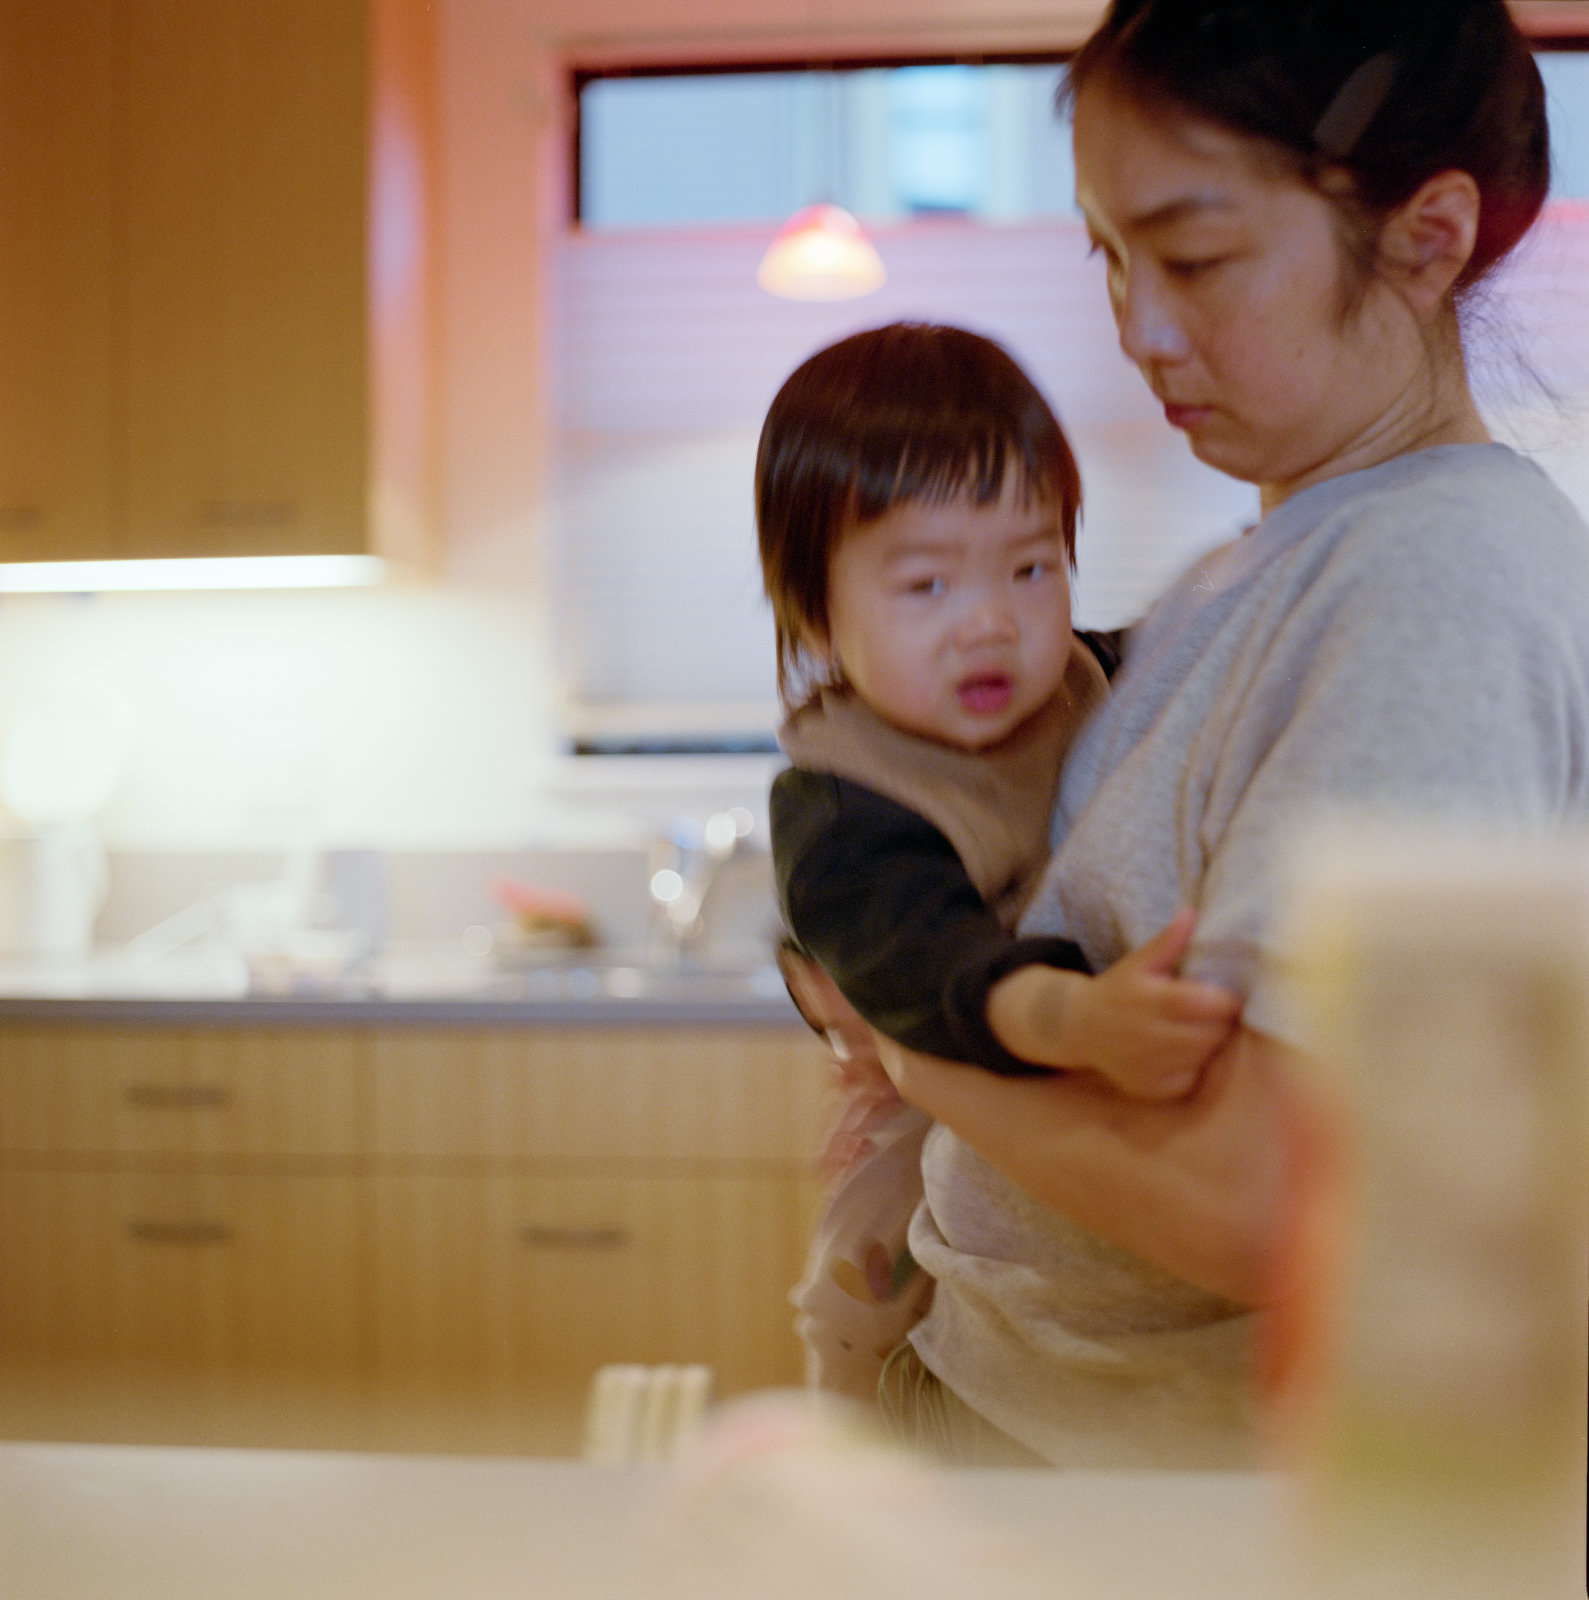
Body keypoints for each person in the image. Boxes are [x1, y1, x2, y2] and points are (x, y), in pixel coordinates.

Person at [860, 0, 1589, 1468]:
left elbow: (1273, 1200)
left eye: (1191, 258)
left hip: (1131, 1495)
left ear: (1425, 240)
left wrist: (903, 1037)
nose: (1136, 328)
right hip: (1033, 1421)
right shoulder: (1267, 557)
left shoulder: (1427, 591)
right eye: (1108, 257)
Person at [757, 324, 1240, 1400]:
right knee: (862, 1273)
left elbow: (1190, 648)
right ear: (817, 615)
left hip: (1078, 1089)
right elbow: (932, 964)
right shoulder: (846, 799)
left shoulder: (1085, 676)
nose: (988, 622)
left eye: (1029, 567)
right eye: (925, 585)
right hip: (933, 1074)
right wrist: (1076, 1018)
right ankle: (852, 1437)